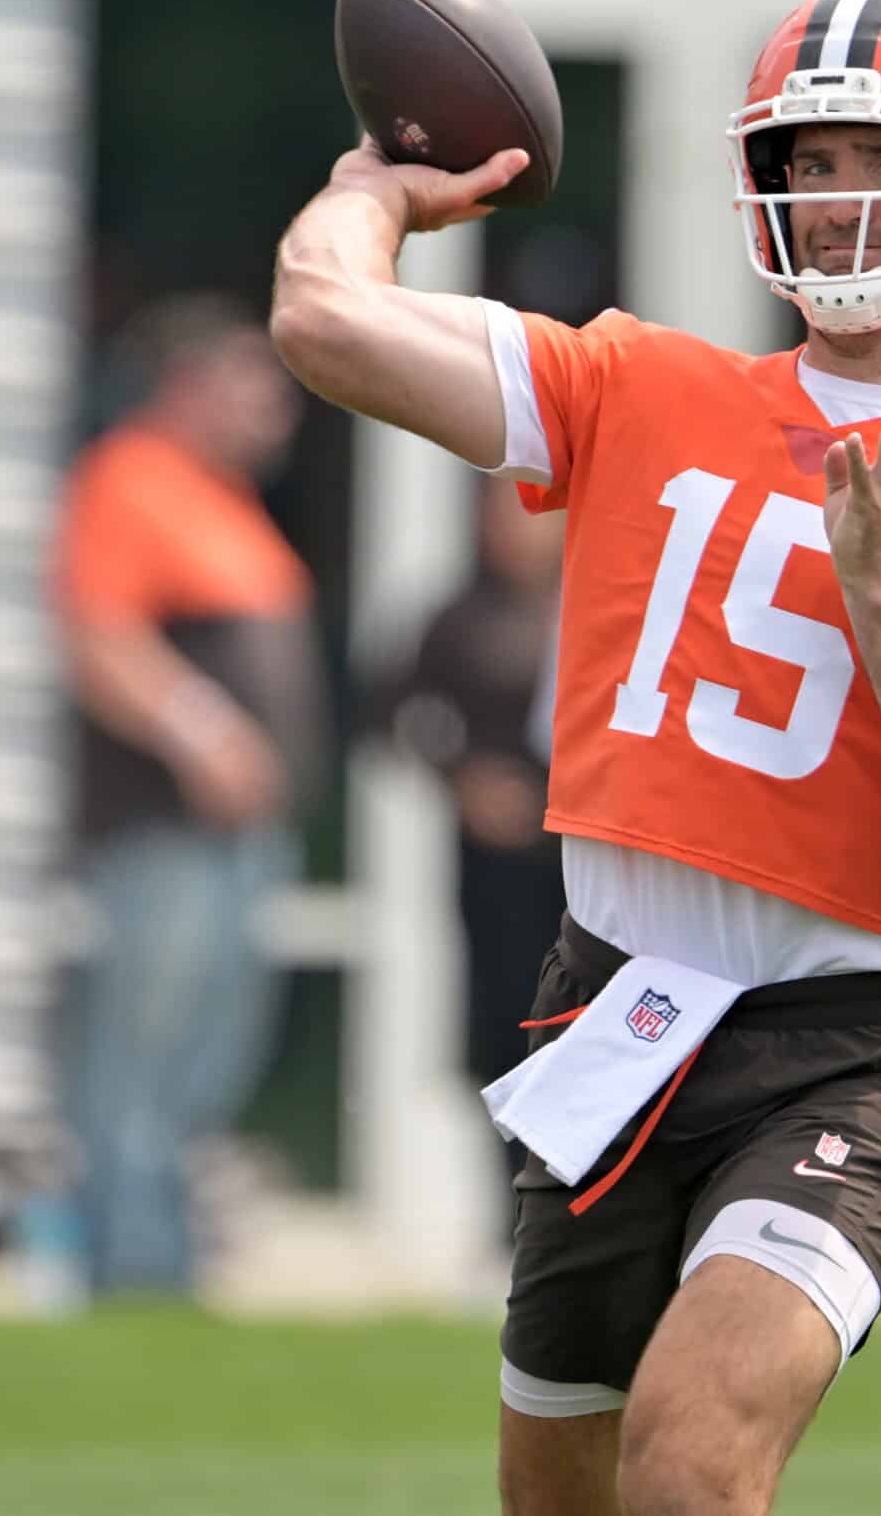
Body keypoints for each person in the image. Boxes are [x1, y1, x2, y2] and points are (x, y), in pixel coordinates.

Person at [272, 0, 881, 1516]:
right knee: (562, 1493)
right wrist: (375, 190)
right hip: (618, 1008)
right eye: (811, 160)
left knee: (690, 1465)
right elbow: (321, 320)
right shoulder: (643, 382)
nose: (840, 199)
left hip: (850, 1048)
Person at [50, 294, 321, 1300]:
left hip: (233, 842)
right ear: (187, 386)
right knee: (141, 1051)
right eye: (252, 387)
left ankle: (167, 1254)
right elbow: (97, 637)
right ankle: (128, 1266)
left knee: (206, 1058)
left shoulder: (225, 501)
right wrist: (203, 731)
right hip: (164, 834)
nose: (276, 411)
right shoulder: (130, 479)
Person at [379, 480, 568, 1215]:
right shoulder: (461, 618)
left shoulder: (606, 606)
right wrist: (464, 780)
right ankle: (514, 1202)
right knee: (507, 1022)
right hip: (501, 868)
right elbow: (395, 714)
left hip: (590, 867)